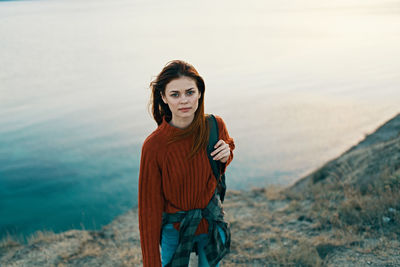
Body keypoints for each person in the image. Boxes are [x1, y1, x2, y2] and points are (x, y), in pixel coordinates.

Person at [138, 60, 235, 267]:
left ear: (200, 92)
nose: (184, 101)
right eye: (175, 94)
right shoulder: (154, 146)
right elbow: (149, 211)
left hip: (210, 220)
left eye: (190, 92)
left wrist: (227, 154)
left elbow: (221, 159)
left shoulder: (215, 125)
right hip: (174, 229)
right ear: (163, 97)